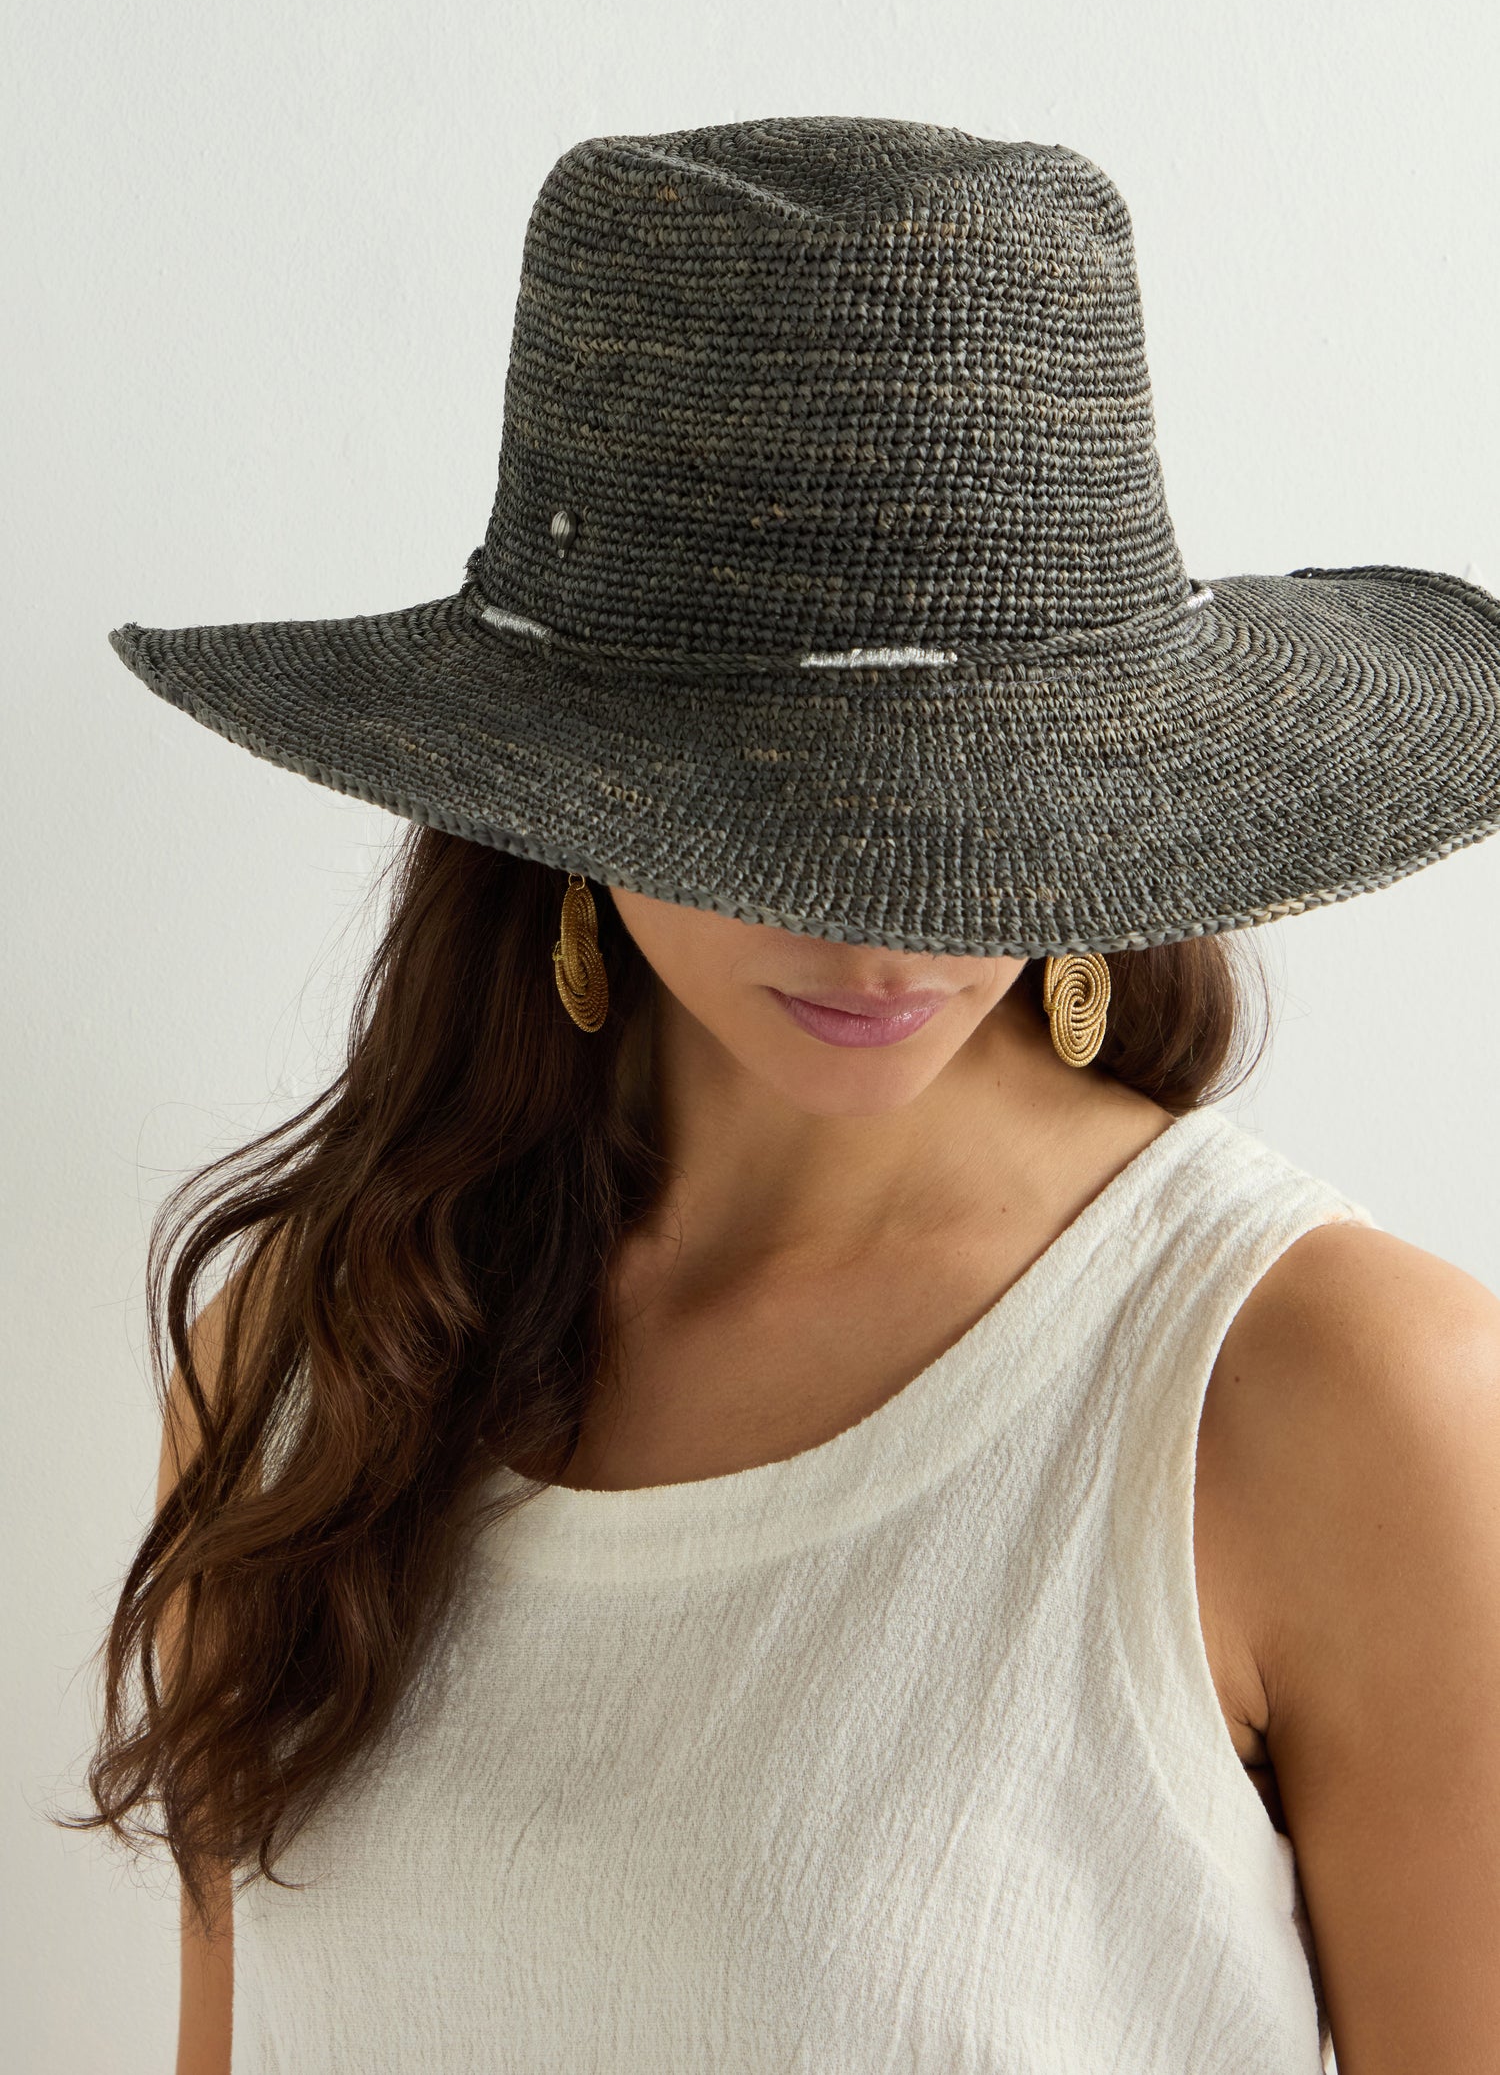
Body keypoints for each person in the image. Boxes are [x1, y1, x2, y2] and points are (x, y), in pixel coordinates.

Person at [73, 118, 1500, 2073]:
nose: (882, 933)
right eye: (766, 803)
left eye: (982, 796)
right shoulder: (307, 1372)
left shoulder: (1324, 1390)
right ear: (559, 787)